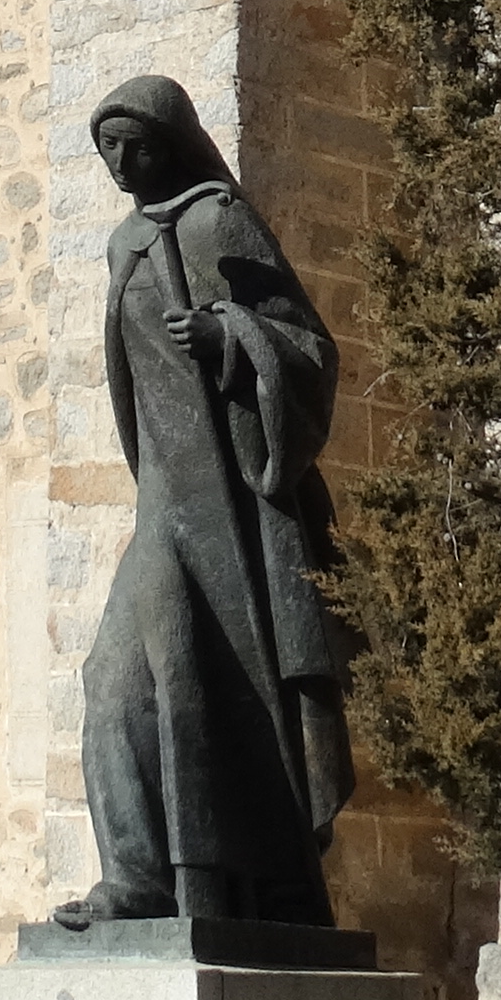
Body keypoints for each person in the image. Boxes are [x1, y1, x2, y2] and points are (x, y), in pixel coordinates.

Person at [55, 74, 358, 928]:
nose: (119, 162)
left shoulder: (217, 219)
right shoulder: (126, 246)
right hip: (165, 505)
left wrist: (230, 335)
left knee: (203, 690)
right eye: (106, 146)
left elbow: (310, 351)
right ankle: (140, 877)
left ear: (171, 141)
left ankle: (239, 888)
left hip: (232, 507)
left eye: (134, 144)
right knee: (115, 683)